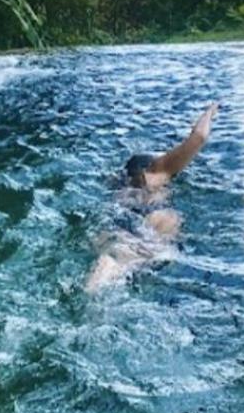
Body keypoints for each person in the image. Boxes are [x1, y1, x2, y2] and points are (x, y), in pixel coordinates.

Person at [84, 102, 219, 293]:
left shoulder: (121, 187)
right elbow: (199, 137)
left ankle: (100, 282)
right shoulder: (156, 174)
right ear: (149, 169)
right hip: (153, 228)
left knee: (112, 259)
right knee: (168, 222)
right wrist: (210, 112)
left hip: (119, 227)